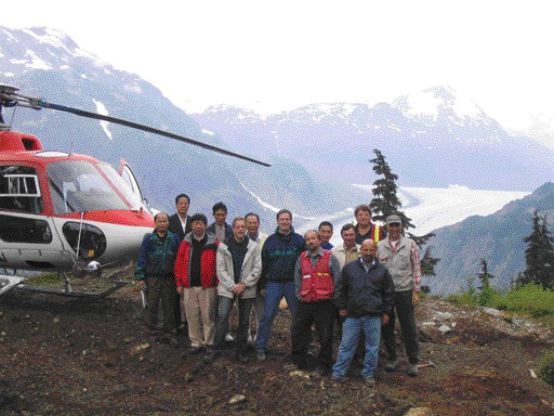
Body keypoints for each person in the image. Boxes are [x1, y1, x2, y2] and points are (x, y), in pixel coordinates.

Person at [332, 239, 394, 385]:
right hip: (352, 315)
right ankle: (338, 373)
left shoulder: (383, 271)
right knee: (346, 345)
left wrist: (386, 313)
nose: (368, 253)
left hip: (373, 315)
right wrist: (341, 307)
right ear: (361, 251)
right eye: (365, 250)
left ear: (375, 251)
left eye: (371, 250)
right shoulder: (349, 268)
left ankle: (368, 374)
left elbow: (389, 293)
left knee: (372, 348)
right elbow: (340, 289)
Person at [255, 209, 305, 361]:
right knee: (267, 315)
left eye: (287, 219)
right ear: (277, 221)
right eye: (282, 219)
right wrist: (262, 285)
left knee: (297, 317)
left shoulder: (299, 240)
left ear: (291, 221)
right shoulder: (270, 241)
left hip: (292, 283)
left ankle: (299, 349)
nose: (284, 222)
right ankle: (260, 348)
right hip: (273, 283)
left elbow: (304, 263)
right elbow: (263, 263)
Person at [291, 230, 341, 375]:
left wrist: (334, 299)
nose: (310, 241)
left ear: (319, 240)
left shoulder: (330, 257)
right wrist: (299, 296)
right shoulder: (301, 258)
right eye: (307, 239)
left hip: (324, 303)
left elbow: (337, 280)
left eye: (313, 238)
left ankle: (324, 365)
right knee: (298, 330)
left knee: (325, 334)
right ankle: (298, 361)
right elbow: (297, 279)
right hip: (306, 302)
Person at [377, 214, 422, 377]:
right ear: (386, 227)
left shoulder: (410, 244)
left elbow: (416, 268)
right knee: (387, 325)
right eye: (391, 226)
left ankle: (413, 360)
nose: (394, 229)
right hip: (386, 292)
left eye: (397, 225)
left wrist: (416, 291)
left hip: (405, 290)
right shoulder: (380, 246)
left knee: (408, 325)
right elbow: (376, 270)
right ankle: (392, 358)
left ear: (401, 226)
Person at [213, 217, 262, 363]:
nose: (240, 229)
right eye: (237, 227)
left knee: (244, 320)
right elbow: (220, 269)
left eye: (243, 227)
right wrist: (232, 286)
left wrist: (244, 284)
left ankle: (241, 351)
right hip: (228, 288)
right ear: (233, 229)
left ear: (246, 228)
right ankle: (216, 349)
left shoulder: (253, 247)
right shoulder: (224, 246)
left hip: (246, 289)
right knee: (222, 316)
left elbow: (257, 268)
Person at [174, 213, 219, 362]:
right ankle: (195, 342)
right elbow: (179, 263)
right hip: (189, 286)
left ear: (206, 225)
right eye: (195, 223)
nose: (198, 226)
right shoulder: (185, 243)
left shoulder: (214, 242)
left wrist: (218, 282)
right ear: (191, 225)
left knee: (207, 315)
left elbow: (221, 263)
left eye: (201, 223)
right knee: (191, 315)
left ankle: (209, 343)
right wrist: (179, 283)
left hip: (208, 286)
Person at [135, 212, 181, 346]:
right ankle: (152, 333)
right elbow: (142, 257)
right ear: (155, 223)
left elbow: (179, 258)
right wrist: (140, 276)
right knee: (152, 306)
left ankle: (169, 334)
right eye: (160, 221)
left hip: (169, 278)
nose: (162, 223)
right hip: (153, 278)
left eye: (165, 221)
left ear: (168, 223)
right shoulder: (149, 239)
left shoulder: (174, 238)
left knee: (169, 307)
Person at [168, 193, 192, 333]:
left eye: (186, 203)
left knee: (189, 296)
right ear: (176, 205)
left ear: (189, 205)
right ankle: (177, 323)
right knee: (175, 295)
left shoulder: (193, 221)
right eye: (181, 203)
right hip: (174, 262)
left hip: (189, 262)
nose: (183, 205)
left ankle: (189, 323)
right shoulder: (170, 221)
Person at [244, 212, 269, 343]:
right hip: (245, 284)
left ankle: (260, 339)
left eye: (255, 222)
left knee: (261, 313)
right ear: (245, 224)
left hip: (261, 284)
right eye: (250, 222)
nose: (252, 225)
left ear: (258, 224)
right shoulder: (241, 238)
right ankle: (247, 337)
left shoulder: (266, 239)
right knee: (245, 313)